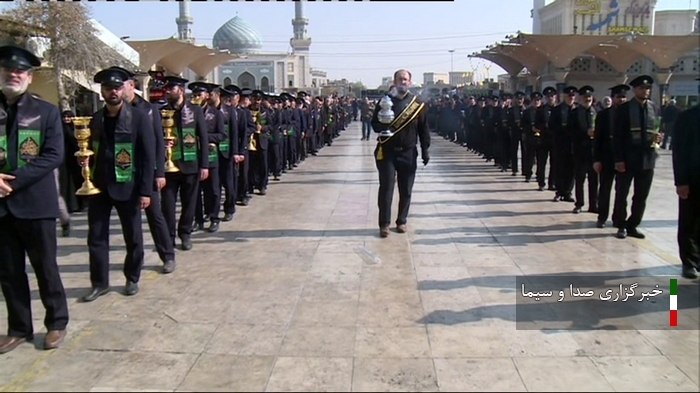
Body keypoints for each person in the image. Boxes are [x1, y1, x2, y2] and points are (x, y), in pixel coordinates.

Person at [0, 45, 69, 353]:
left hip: (35, 205)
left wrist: (11, 182)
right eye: (8, 70)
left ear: (29, 77)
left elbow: (53, 156)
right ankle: (18, 327)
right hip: (1, 208)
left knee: (46, 267)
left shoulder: (46, 112)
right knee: (9, 271)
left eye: (20, 72)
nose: (13, 75)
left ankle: (56, 323)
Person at [80, 67, 156, 302]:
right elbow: (92, 149)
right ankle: (99, 282)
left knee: (132, 236)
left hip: (129, 186)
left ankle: (132, 277)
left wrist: (145, 190)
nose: (112, 92)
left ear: (124, 89)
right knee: (96, 237)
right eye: (107, 88)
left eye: (117, 87)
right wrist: (84, 160)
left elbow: (147, 156)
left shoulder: (139, 117)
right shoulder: (96, 119)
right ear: (102, 91)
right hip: (100, 187)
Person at [110, 66, 175, 274]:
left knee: (155, 216)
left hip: (147, 173)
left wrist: (159, 173)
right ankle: (135, 262)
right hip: (123, 173)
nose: (120, 90)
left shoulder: (148, 109)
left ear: (131, 86)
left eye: (124, 85)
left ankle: (167, 255)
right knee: (132, 225)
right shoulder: (113, 111)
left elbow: (157, 142)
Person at [371, 69, 430, 238]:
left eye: (405, 79)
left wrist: (425, 150)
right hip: (387, 152)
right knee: (386, 189)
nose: (402, 82)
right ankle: (384, 224)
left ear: (410, 82)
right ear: (394, 81)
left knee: (406, 190)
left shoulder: (417, 104)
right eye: (400, 79)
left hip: (408, 152)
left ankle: (402, 221)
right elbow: (374, 123)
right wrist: (384, 128)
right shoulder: (385, 101)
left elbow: (424, 129)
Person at [160, 76, 209, 250]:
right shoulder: (162, 112)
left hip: (190, 164)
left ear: (180, 90)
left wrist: (204, 165)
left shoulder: (194, 111)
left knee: (189, 203)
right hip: (169, 166)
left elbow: (202, 138)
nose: (167, 92)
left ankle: (185, 233)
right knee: (167, 205)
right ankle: (169, 237)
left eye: (170, 89)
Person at [612, 75, 662, 239]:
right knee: (622, 193)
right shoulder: (625, 109)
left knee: (641, 195)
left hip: (647, 159)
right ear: (635, 89)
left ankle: (633, 224)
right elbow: (617, 136)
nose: (645, 91)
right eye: (642, 88)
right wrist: (618, 159)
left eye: (647, 88)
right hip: (628, 158)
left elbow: (655, 130)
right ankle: (620, 224)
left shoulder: (653, 108)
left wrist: (658, 138)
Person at [671, 77, 700, 279]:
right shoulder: (688, 117)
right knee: (689, 221)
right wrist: (681, 181)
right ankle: (689, 262)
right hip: (692, 179)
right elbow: (679, 152)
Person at [593, 84, 629, 228]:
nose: (621, 99)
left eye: (624, 97)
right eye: (619, 97)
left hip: (624, 158)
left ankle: (619, 220)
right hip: (607, 156)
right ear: (613, 98)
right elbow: (597, 139)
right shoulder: (603, 115)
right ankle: (602, 216)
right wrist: (596, 159)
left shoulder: (629, 115)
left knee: (622, 191)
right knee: (605, 189)